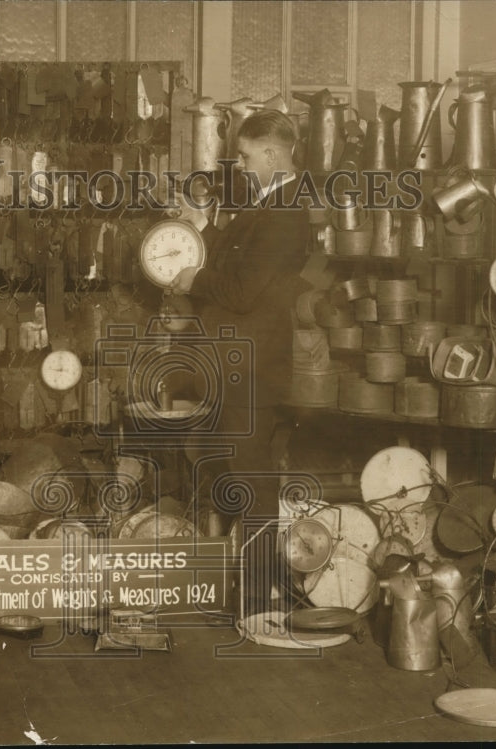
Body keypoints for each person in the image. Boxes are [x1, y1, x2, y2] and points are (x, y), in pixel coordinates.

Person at [170, 109, 312, 617]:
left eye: (248, 158)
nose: (244, 167)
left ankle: (256, 605)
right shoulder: (268, 205)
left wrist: (193, 281)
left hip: (252, 370)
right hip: (240, 365)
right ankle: (261, 595)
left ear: (273, 154)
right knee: (249, 481)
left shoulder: (287, 213)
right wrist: (202, 229)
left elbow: (241, 289)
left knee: (252, 486)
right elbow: (235, 261)